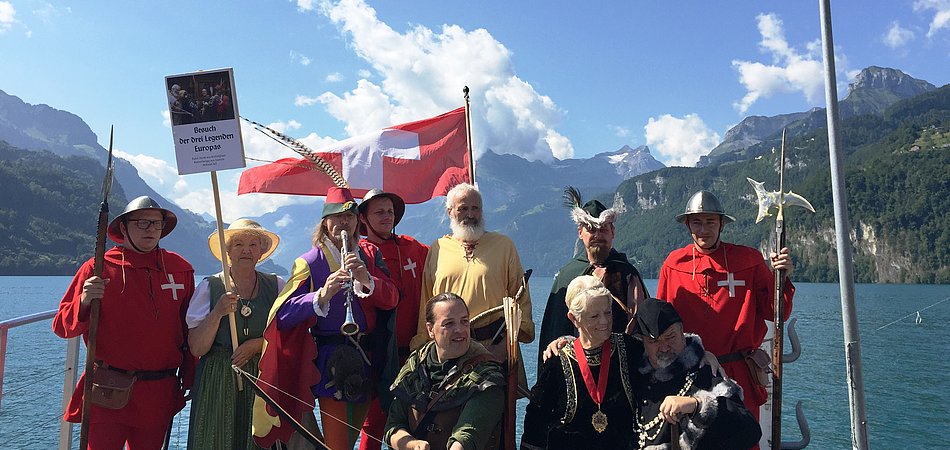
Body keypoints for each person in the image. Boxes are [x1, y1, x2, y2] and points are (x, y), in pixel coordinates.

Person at [253, 187, 398, 450]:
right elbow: (283, 314)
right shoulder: (310, 262)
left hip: (368, 357)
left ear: (357, 221)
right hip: (331, 359)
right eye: (337, 217)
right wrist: (321, 295)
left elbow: (392, 299)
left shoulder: (369, 255)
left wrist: (366, 279)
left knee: (353, 437)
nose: (344, 223)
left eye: (349, 217)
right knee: (337, 444)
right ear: (325, 222)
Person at [52, 196, 195, 449]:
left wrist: (191, 376)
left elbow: (189, 330)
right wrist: (84, 300)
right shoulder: (97, 268)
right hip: (107, 390)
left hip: (159, 392)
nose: (151, 229)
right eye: (142, 222)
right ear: (124, 227)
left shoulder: (180, 269)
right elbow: (62, 326)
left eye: (156, 223)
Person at [656, 190, 795, 421]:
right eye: (697, 222)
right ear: (688, 225)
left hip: (739, 373)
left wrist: (782, 277)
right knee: (695, 435)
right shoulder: (674, 264)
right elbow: (662, 323)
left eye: (710, 222)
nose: (704, 230)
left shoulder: (748, 260)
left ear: (722, 224)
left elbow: (776, 312)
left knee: (742, 435)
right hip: (692, 371)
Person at [410, 183, 533, 379]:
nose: (470, 214)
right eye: (463, 208)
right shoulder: (438, 249)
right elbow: (428, 303)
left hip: (495, 348)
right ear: (450, 212)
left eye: (475, 208)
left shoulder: (504, 246)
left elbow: (520, 302)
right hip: (448, 350)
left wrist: (504, 347)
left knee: (497, 399)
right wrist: (425, 347)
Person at [185, 219, 284, 450]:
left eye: (253, 244)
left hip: (262, 378)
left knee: (257, 441)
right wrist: (217, 313)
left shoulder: (276, 285)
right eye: (238, 244)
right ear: (227, 251)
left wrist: (258, 344)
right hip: (218, 378)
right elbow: (197, 348)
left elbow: (289, 335)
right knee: (216, 440)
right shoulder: (210, 287)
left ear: (261, 251)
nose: (246, 250)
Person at [521, 275, 638, 449]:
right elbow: (536, 422)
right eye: (594, 316)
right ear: (574, 319)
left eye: (608, 312)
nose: (604, 321)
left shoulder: (629, 349)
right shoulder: (557, 362)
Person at [538, 186, 649, 367]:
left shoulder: (628, 275)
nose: (597, 235)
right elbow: (556, 330)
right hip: (576, 367)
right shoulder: (567, 276)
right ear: (580, 233)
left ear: (612, 232)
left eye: (603, 229)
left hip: (620, 366)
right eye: (591, 229)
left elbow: (640, 328)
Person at [632, 298, 761, 449]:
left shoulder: (705, 374)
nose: (664, 347)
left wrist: (697, 405)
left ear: (682, 333)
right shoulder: (631, 371)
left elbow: (749, 432)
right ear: (643, 343)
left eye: (671, 337)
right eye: (654, 341)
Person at [357, 188, 429, 450]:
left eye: (390, 211)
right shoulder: (359, 254)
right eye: (379, 212)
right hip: (376, 354)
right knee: (374, 424)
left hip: (414, 352)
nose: (387, 216)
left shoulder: (412, 247)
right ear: (363, 218)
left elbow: (444, 260)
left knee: (414, 422)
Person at [385, 293, 506, 450]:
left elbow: (466, 439)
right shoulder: (415, 364)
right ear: (430, 330)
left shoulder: (486, 378)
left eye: (464, 321)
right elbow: (393, 426)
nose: (460, 330)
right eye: (449, 324)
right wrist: (413, 445)